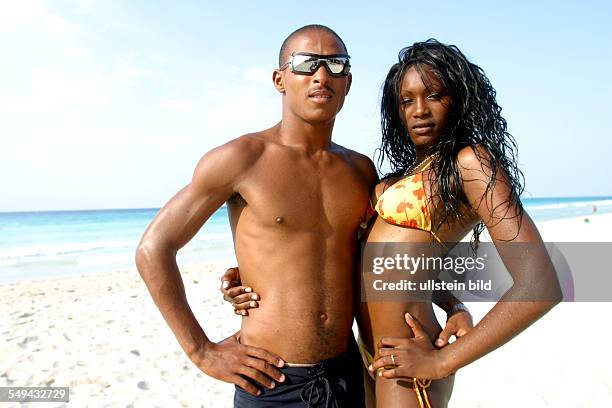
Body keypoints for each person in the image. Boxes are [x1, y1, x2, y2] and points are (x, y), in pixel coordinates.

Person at [226, 39, 562, 408]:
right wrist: (454, 305)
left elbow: (540, 285)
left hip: (410, 367)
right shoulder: (393, 178)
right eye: (406, 100)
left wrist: (444, 360)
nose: (419, 110)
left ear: (460, 99)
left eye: (434, 95)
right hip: (363, 360)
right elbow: (400, 264)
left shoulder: (471, 164)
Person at [136, 24, 377, 407]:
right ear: (280, 80)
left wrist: (453, 305)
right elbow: (154, 249)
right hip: (271, 383)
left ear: (348, 82)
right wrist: (202, 351)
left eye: (335, 64)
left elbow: (378, 260)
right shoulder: (242, 158)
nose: (321, 75)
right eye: (306, 63)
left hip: (345, 375)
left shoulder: (360, 171)